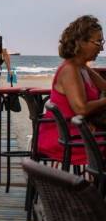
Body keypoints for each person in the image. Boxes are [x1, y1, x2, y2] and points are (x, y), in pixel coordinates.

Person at [38, 15, 106, 164]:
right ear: (81, 42)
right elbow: (81, 108)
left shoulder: (82, 67)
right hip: (65, 138)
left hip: (77, 131)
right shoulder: (70, 69)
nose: (101, 48)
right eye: (98, 42)